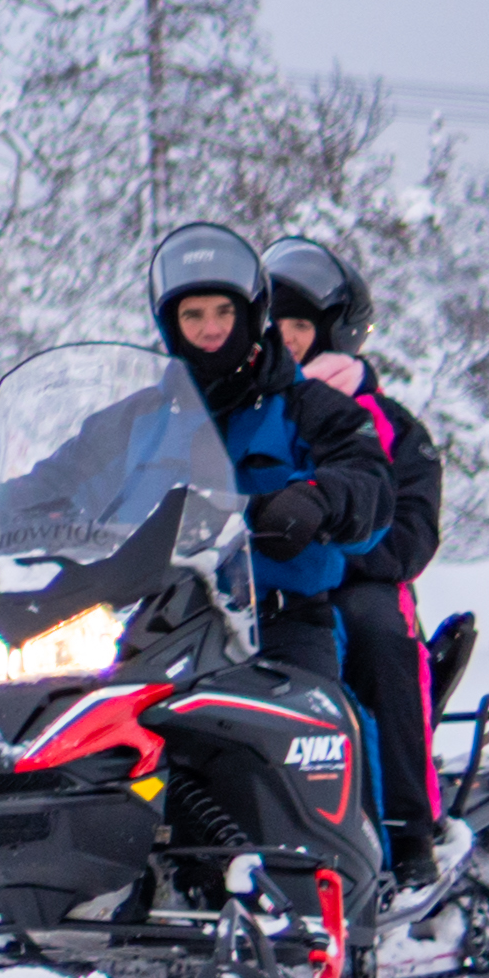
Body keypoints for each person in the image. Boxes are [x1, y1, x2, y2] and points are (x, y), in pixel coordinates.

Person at [150, 224, 398, 920]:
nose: (207, 329)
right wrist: (10, 503)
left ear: (249, 313)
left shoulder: (307, 404)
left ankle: (363, 885)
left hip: (279, 616)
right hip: (168, 622)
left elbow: (367, 477)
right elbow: (75, 469)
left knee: (325, 729)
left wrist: (318, 499)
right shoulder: (149, 411)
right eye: (192, 315)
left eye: (222, 312)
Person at [265, 234, 446, 875]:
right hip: (258, 582)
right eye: (273, 325)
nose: (284, 338)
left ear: (335, 331)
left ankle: (407, 830)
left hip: (354, 578)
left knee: (373, 632)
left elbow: (412, 534)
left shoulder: (388, 422)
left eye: (298, 325)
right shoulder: (250, 414)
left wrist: (326, 545)